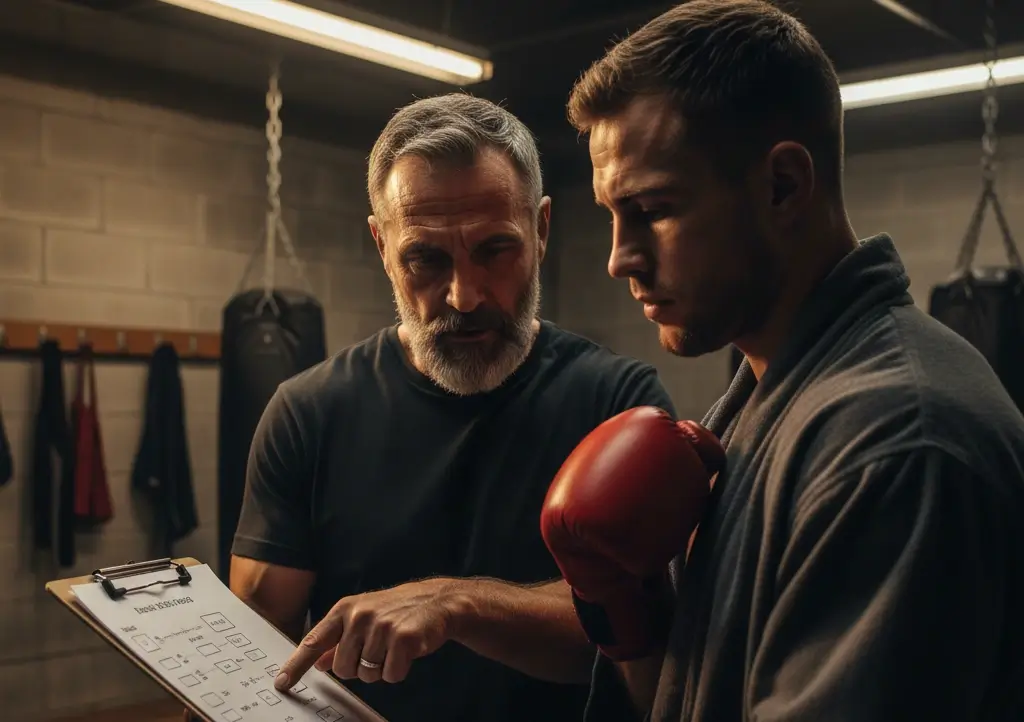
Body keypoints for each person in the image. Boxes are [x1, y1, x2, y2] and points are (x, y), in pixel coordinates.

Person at [542, 2, 1024, 721]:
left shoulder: (894, 443)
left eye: (654, 208)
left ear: (783, 187)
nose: (620, 258)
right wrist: (626, 611)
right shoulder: (754, 407)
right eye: (614, 215)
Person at [225, 93, 678, 722]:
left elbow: (650, 640)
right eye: (425, 259)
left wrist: (457, 604)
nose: (464, 296)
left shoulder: (618, 405)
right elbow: (252, 654)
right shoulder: (306, 415)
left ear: (541, 230)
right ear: (382, 246)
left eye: (496, 250)